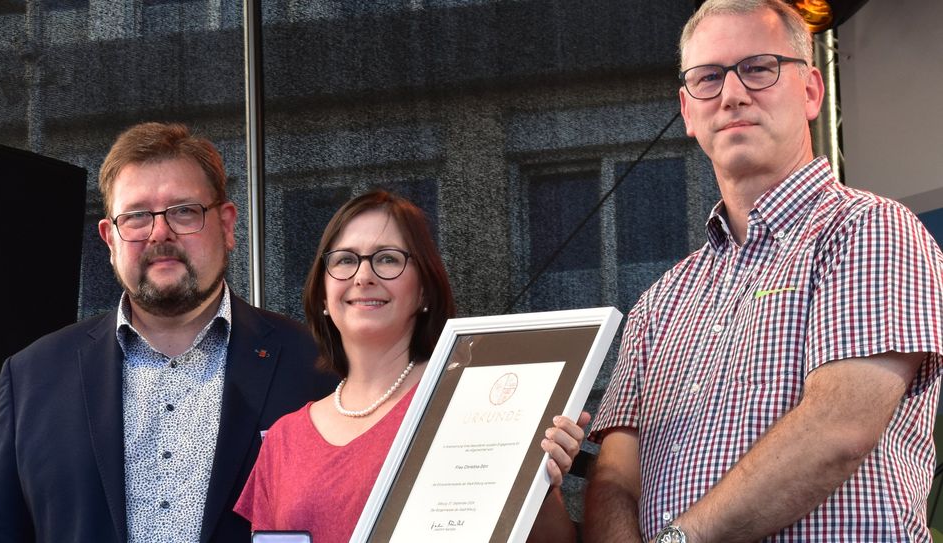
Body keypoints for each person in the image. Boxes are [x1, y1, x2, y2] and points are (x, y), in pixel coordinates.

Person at [584, 1, 943, 542]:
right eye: (708, 77)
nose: (732, 94)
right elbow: (613, 478)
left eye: (758, 68)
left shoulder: (871, 229)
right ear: (687, 110)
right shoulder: (659, 303)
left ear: (812, 91)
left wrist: (679, 542)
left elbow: (838, 428)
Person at [0, 122, 335, 543]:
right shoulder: (31, 378)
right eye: (137, 216)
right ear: (110, 239)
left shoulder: (315, 367)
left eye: (184, 211)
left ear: (227, 225)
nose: (160, 232)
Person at [234, 189, 588, 542]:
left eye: (387, 259)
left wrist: (538, 480)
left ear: (423, 291)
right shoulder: (284, 439)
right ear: (323, 294)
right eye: (344, 260)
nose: (363, 276)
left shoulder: (466, 406)